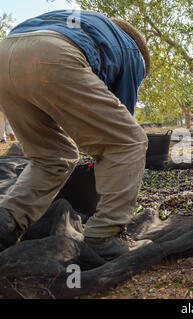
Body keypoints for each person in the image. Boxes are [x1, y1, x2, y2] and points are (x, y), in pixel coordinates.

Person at [0, 10, 152, 260]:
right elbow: (120, 122)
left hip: (6, 55)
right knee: (129, 141)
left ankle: (8, 220)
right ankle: (105, 235)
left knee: (52, 156)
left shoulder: (87, 25)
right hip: (52, 55)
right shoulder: (133, 52)